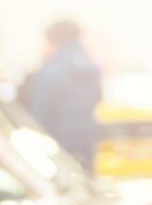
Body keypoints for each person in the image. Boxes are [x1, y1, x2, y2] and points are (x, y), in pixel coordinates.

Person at [20, 19, 102, 170]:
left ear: (54, 42)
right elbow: (97, 101)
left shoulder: (48, 75)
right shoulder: (92, 72)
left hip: (56, 155)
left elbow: (38, 118)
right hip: (87, 150)